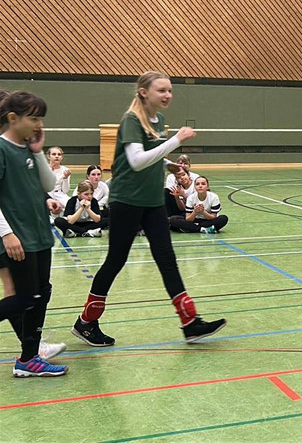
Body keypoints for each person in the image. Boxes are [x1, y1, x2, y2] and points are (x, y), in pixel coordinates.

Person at [72, 71, 226, 347]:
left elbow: (151, 153)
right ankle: (86, 322)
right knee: (116, 260)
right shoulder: (131, 120)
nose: (167, 95)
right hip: (127, 201)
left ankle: (190, 322)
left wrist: (168, 164)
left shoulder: (159, 119)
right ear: (144, 92)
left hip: (152, 201)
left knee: (166, 258)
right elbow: (136, 160)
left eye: (170, 90)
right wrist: (176, 141)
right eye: (161, 90)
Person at [0, 90, 69, 376]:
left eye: (41, 119)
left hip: (40, 233)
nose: (39, 124)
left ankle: (29, 359)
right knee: (26, 297)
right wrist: (6, 233)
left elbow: (48, 183)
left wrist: (39, 151)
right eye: (34, 119)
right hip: (19, 237)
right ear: (13, 118)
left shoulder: (29, 147)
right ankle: (29, 357)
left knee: (41, 293)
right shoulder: (2, 149)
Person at [46, 145, 71, 210]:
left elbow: (65, 191)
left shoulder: (65, 170)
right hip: (47, 195)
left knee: (71, 205)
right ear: (49, 157)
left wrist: (65, 178)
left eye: (59, 154)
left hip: (59, 194)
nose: (57, 156)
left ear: (62, 157)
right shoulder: (44, 168)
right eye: (54, 154)